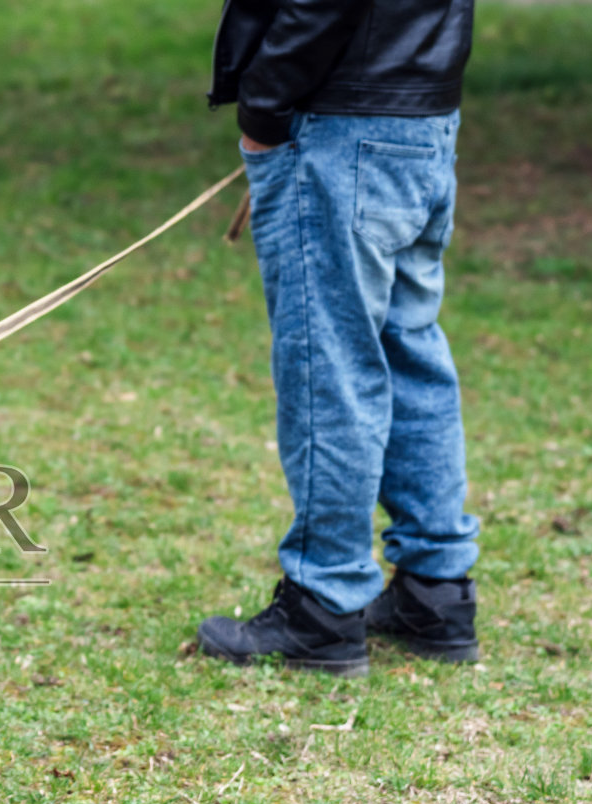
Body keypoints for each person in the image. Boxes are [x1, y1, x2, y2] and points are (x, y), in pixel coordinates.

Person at [199, 0, 481, 677]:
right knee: (407, 348)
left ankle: (324, 603)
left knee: (331, 364)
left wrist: (264, 106)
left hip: (341, 123)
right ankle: (434, 592)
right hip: (420, 116)